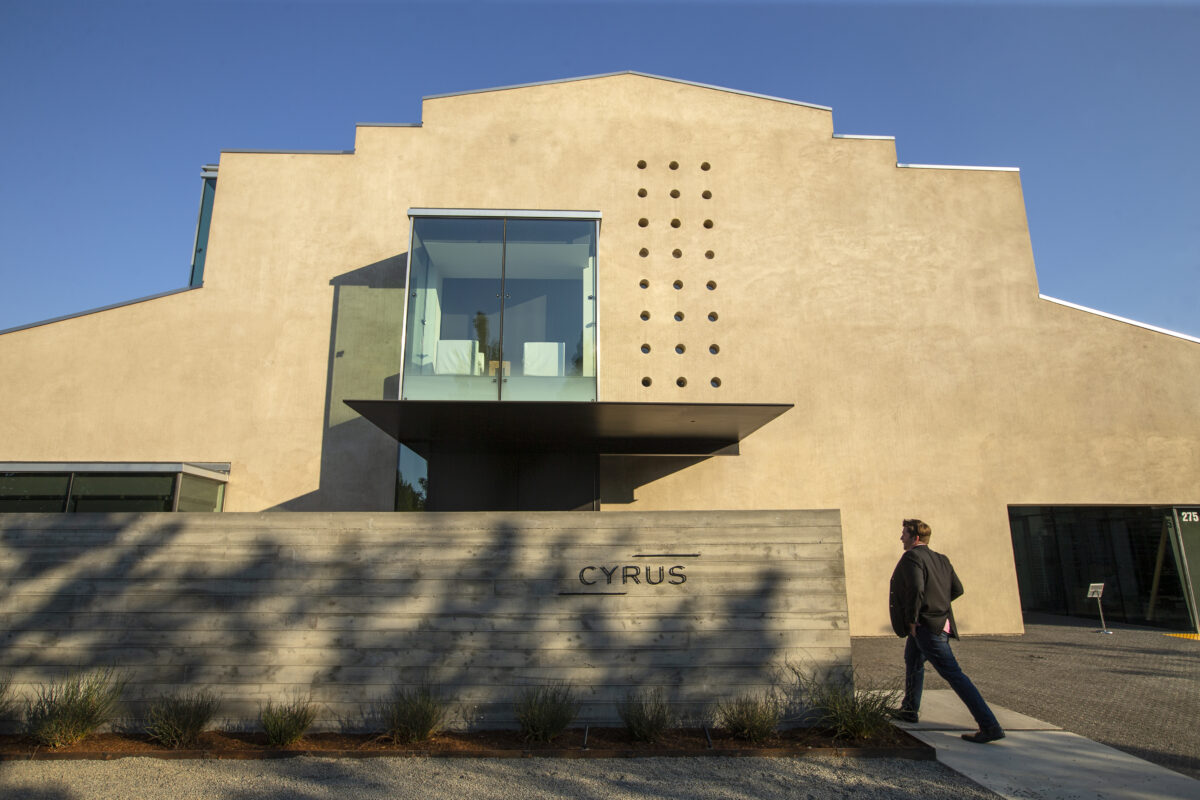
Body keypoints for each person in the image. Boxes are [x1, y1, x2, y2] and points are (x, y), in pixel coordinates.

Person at [888, 518, 1005, 744]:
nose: (901, 537)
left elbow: (916, 589)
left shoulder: (913, 557)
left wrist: (913, 620)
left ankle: (990, 725)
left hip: (924, 626)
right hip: (939, 622)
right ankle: (909, 709)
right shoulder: (942, 559)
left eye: (904, 533)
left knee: (953, 674)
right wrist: (939, 607)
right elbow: (957, 589)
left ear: (915, 537)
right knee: (912, 661)